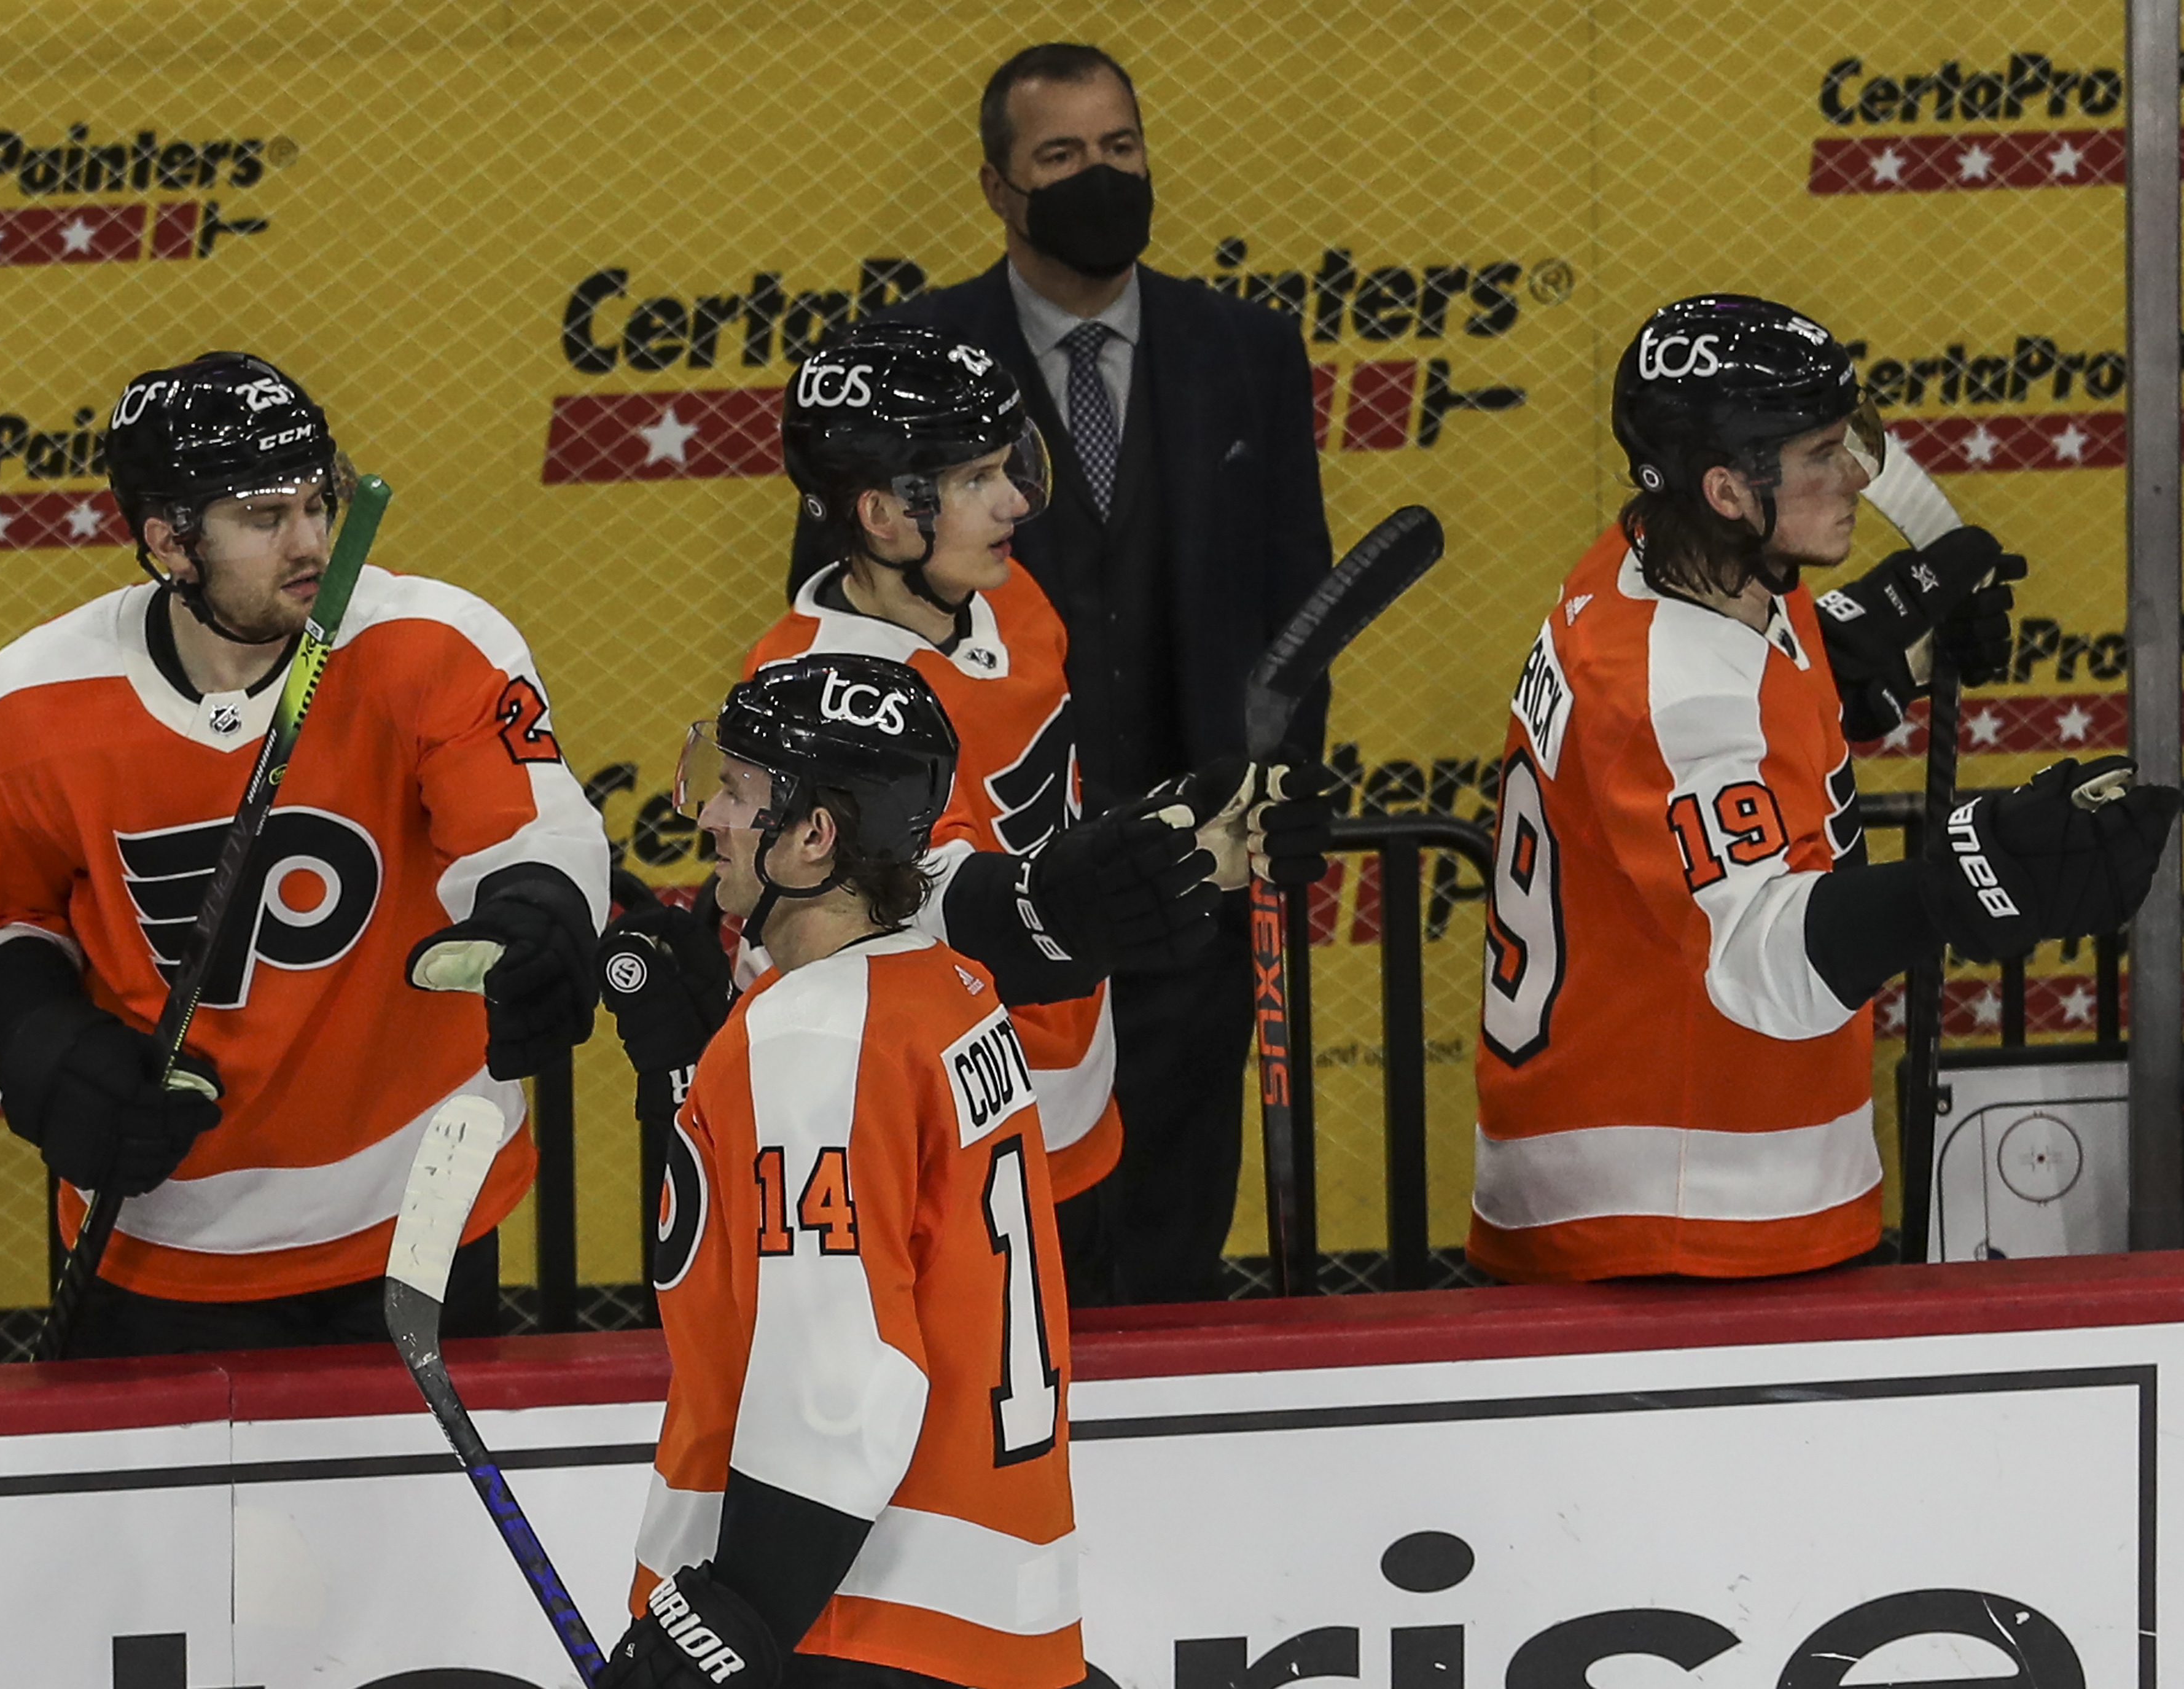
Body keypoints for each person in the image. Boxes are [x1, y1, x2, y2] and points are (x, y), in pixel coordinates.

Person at [1469, 295, 2180, 1282]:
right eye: (1820, 455)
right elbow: (1763, 958)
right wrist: (1962, 883)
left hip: (1688, 1170)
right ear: (1726, 487)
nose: (1854, 474)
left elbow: (1754, 712)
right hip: (1675, 1212)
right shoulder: (1660, 687)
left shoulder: (1678, 562)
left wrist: (1899, 659)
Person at [0, 351, 610, 1354]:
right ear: (169, 543)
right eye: (261, 516)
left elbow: (530, 829)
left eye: (317, 500)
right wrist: (51, 1046)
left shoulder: (433, 642)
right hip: (161, 1233)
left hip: (416, 1211)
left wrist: (537, 916)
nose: (313, 541)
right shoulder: (32, 702)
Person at [789, 42, 1337, 1304]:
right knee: (1006, 1269)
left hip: (1196, 889)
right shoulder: (908, 360)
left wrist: (1259, 799)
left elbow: (1295, 602)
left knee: (1172, 1247)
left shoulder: (1245, 346)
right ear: (996, 185)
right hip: (988, 919)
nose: (1100, 177)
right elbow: (840, 640)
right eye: (1060, 158)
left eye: (1120, 149)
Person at [601, 653, 1081, 1689]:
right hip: (988, 1613)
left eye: (737, 790)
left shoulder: (810, 1034)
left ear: (815, 836)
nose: (710, 815)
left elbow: (843, 1370)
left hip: (855, 1620)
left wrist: (734, 1617)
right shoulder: (950, 991)